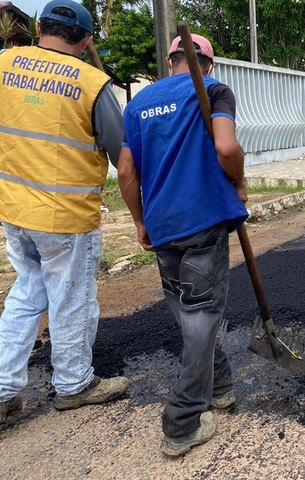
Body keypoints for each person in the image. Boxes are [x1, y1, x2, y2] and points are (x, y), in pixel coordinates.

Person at [118, 33, 248, 457]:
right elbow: (226, 147)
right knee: (201, 314)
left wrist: (140, 221)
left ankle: (222, 386)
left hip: (163, 226)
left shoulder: (138, 104)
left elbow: (125, 171)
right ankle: (182, 420)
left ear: (170, 59)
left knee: (189, 312)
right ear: (207, 64)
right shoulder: (212, 90)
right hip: (203, 220)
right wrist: (241, 183)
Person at [0, 0, 129, 425]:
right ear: (87, 39)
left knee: (26, 291)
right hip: (65, 217)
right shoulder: (92, 83)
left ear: (39, 28)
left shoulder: (5, 65)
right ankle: (74, 385)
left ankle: (3, 387)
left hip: (14, 209)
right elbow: (119, 151)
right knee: (71, 297)